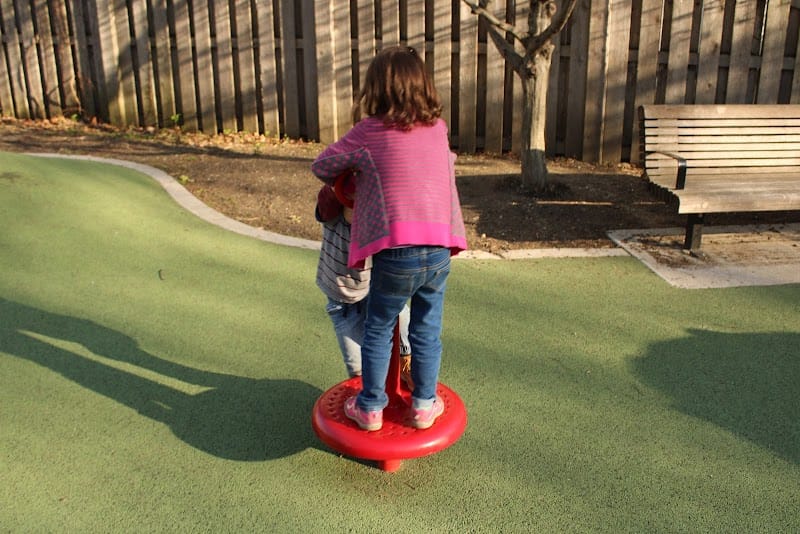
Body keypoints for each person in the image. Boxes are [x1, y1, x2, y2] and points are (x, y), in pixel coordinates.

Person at [311, 46, 467, 431]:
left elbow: (322, 165)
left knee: (380, 326)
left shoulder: (370, 131)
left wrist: (355, 170)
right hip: (439, 248)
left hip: (396, 253)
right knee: (427, 329)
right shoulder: (438, 128)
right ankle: (423, 405)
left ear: (376, 90)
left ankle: (370, 407)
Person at [315, 182, 413, 384]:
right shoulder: (332, 216)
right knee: (356, 366)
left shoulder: (375, 223)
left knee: (401, 314)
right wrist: (339, 184)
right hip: (341, 304)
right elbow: (327, 195)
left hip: (371, 291)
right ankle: (365, 395)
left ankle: (406, 363)